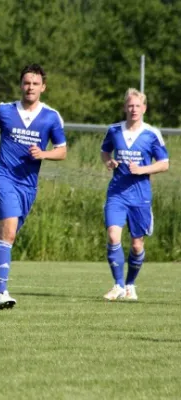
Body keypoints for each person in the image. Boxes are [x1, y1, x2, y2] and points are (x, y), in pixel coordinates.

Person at [0, 64, 67, 310]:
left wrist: (44, 153)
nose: (30, 87)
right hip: (3, 178)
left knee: (5, 238)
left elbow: (62, 151)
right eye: (26, 83)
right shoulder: (5, 110)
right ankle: (1, 293)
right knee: (8, 233)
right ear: (21, 85)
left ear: (43, 87)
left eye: (35, 83)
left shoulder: (51, 117)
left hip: (28, 187)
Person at [101, 89, 169, 301]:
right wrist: (108, 162)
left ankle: (130, 284)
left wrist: (142, 170)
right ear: (125, 107)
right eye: (130, 105)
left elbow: (164, 164)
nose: (133, 109)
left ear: (144, 108)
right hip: (117, 194)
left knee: (137, 245)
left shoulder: (151, 134)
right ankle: (118, 285)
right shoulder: (114, 130)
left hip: (140, 197)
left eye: (137, 106)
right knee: (113, 236)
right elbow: (105, 152)